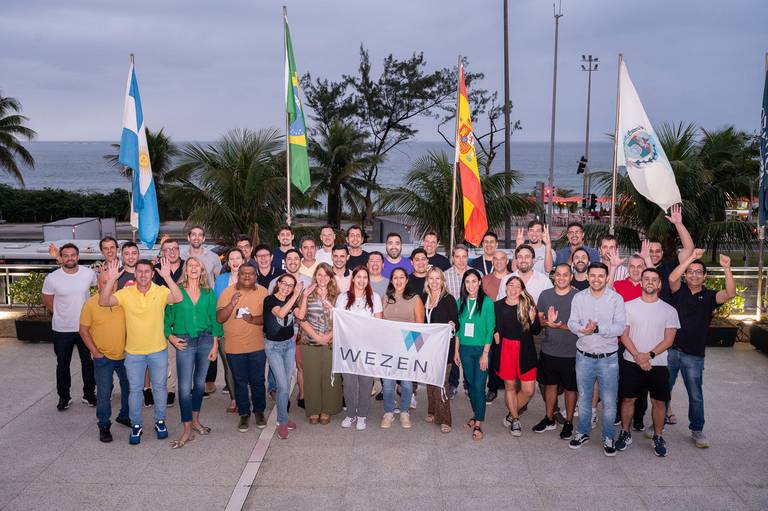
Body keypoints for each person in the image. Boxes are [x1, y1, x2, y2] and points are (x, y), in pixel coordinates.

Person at [100, 257, 183, 445]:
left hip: (158, 350)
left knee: (160, 388)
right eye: (140, 271)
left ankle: (160, 421)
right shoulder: (126, 293)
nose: (143, 275)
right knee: (135, 390)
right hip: (134, 352)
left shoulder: (161, 291)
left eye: (147, 271)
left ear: (153, 274)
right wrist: (112, 279)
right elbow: (104, 302)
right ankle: (136, 424)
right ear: (134, 274)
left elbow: (178, 297)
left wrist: (168, 277)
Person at [666, 249, 735, 448]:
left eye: (698, 272)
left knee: (695, 395)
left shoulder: (710, 296)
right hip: (671, 351)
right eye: (691, 271)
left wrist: (727, 268)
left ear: (704, 277)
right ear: (686, 275)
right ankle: (658, 424)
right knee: (664, 391)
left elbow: (730, 293)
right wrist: (691, 258)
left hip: (694, 356)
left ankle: (697, 430)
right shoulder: (679, 291)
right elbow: (672, 277)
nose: (694, 274)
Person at [615, 268, 680, 457]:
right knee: (628, 399)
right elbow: (624, 335)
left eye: (654, 279)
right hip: (631, 361)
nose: (650, 282)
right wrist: (637, 356)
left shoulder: (669, 310)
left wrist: (648, 356)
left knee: (659, 402)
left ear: (659, 284)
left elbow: (669, 340)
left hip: (658, 364)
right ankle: (625, 433)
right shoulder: (627, 306)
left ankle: (658, 436)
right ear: (641, 282)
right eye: (646, 279)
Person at [567, 262, 626, 456]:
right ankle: (583, 432)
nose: (596, 279)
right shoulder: (578, 298)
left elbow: (620, 328)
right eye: (592, 275)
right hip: (583, 357)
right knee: (584, 398)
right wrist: (582, 330)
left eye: (601, 275)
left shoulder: (616, 299)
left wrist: (598, 329)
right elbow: (571, 322)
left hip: (608, 359)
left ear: (607, 277)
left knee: (609, 401)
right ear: (587, 276)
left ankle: (609, 436)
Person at [164, 257, 222, 449]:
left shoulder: (208, 292)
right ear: (186, 270)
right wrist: (171, 337)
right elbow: (166, 318)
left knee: (199, 384)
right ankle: (187, 429)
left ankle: (196, 421)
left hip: (206, 340)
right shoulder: (177, 292)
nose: (195, 268)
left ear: (202, 270)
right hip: (184, 341)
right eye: (191, 266)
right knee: (183, 387)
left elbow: (215, 319)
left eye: (198, 266)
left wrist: (215, 344)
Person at [42, 243, 96, 411]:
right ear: (61, 258)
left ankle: (89, 395)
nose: (70, 258)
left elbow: (100, 286)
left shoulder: (88, 274)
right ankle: (64, 397)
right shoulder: (52, 278)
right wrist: (60, 314)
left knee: (88, 363)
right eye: (66, 255)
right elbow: (48, 300)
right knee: (62, 364)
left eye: (73, 255)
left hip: (85, 328)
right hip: (62, 329)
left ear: (78, 257)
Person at [216, 265, 269, 432]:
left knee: (258, 381)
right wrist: (232, 304)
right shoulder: (227, 292)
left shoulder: (263, 292)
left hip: (257, 346)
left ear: (256, 276)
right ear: (238, 275)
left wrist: (253, 320)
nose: (247, 276)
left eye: (251, 273)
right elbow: (219, 318)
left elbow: (267, 318)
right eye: (244, 273)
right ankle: (244, 414)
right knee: (240, 382)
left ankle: (259, 412)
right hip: (234, 347)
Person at [79, 270, 129, 442]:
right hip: (103, 358)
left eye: (113, 281)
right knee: (104, 392)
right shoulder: (91, 304)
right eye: (104, 282)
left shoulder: (123, 300)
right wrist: (96, 353)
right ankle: (104, 425)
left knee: (130, 388)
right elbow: (83, 330)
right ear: (98, 285)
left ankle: (125, 415)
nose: (109, 285)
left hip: (125, 356)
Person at [534, 264, 580, 439]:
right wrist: (547, 323)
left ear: (571, 277)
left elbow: (582, 326)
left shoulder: (578, 297)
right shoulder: (545, 295)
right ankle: (549, 418)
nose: (561, 278)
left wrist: (562, 326)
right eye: (558, 275)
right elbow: (539, 322)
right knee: (550, 386)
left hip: (571, 353)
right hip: (549, 350)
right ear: (554, 277)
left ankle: (568, 422)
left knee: (570, 389)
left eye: (565, 275)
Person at [335, 266, 383, 430]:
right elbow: (338, 323)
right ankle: (350, 414)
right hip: (347, 349)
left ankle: (362, 415)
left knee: (365, 383)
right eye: (359, 277)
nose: (362, 280)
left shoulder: (374, 297)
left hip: (367, 349)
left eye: (365, 277)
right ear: (353, 279)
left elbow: (379, 324)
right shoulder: (343, 298)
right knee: (348, 383)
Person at [296, 263, 343, 424]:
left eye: (326, 275)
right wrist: (317, 337)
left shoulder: (337, 295)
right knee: (312, 377)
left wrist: (328, 336)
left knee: (330, 376)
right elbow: (301, 318)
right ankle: (314, 410)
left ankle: (327, 409)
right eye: (319, 274)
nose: (322, 278)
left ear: (331, 277)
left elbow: (341, 320)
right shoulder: (307, 293)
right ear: (315, 276)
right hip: (309, 342)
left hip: (331, 342)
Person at [494, 276, 541, 437]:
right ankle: (515, 418)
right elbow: (492, 326)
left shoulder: (527, 304)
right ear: (506, 287)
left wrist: (534, 319)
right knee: (510, 386)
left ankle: (510, 413)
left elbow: (536, 330)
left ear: (522, 289)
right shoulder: (497, 306)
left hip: (525, 350)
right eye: (511, 285)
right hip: (505, 349)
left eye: (517, 286)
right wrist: (495, 334)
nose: (513, 289)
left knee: (529, 390)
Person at [380, 268, 425, 429]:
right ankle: (389, 412)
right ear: (391, 280)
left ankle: (404, 411)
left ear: (407, 280)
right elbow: (380, 324)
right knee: (387, 383)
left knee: (406, 384)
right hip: (389, 348)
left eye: (401, 278)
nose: (398, 281)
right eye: (395, 278)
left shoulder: (415, 299)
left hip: (408, 348)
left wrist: (413, 349)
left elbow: (420, 327)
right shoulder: (385, 298)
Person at [456, 268, 495, 440]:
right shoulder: (460, 302)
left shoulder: (487, 303)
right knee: (471, 385)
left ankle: (478, 422)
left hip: (481, 350)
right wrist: (456, 350)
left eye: (474, 281)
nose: (471, 285)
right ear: (464, 284)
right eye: (467, 282)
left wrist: (485, 353)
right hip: (464, 349)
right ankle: (476, 413)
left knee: (479, 386)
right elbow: (457, 330)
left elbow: (489, 330)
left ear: (479, 283)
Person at [264, 273, 304, 439]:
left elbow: (300, 315)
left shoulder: (293, 300)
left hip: (289, 345)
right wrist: (295, 295)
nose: (286, 287)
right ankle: (282, 421)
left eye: (290, 285)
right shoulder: (270, 300)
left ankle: (284, 418)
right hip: (273, 347)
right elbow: (280, 314)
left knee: (286, 384)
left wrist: (304, 296)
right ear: (278, 283)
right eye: (284, 284)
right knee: (282, 384)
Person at [423, 267, 458, 433]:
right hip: (427, 349)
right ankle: (432, 411)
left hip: (444, 350)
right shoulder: (424, 298)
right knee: (430, 383)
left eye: (438, 279)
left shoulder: (448, 299)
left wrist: (452, 325)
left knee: (441, 384)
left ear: (443, 281)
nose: (434, 282)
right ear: (427, 280)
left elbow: (456, 323)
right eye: (431, 278)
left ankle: (446, 419)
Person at [152, 237, 185, 408]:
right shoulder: (155, 270)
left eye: (175, 248)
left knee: (183, 357)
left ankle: (182, 389)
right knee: (164, 359)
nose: (172, 252)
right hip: (162, 319)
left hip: (184, 318)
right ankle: (167, 389)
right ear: (162, 252)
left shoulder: (189, 266)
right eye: (167, 249)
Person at [211, 248, 244, 413]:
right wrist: (216, 336)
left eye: (238, 258)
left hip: (246, 331)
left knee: (244, 366)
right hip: (225, 330)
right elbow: (217, 307)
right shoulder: (222, 280)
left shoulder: (251, 279)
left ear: (243, 260)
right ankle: (234, 398)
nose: (235, 261)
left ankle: (244, 396)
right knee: (229, 366)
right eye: (232, 258)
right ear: (228, 262)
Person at [481, 249, 512, 404]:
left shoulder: (513, 278)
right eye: (496, 259)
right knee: (492, 357)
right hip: (491, 325)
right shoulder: (485, 279)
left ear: (507, 261)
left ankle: (510, 386)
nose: (499, 261)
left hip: (510, 324)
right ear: (492, 261)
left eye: (502, 258)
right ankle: (492, 388)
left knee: (508, 357)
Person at [649, 203, 696, 302]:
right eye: (650, 251)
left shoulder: (669, 266)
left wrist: (678, 223)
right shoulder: (638, 268)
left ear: (662, 253)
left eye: (657, 251)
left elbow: (689, 249)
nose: (654, 254)